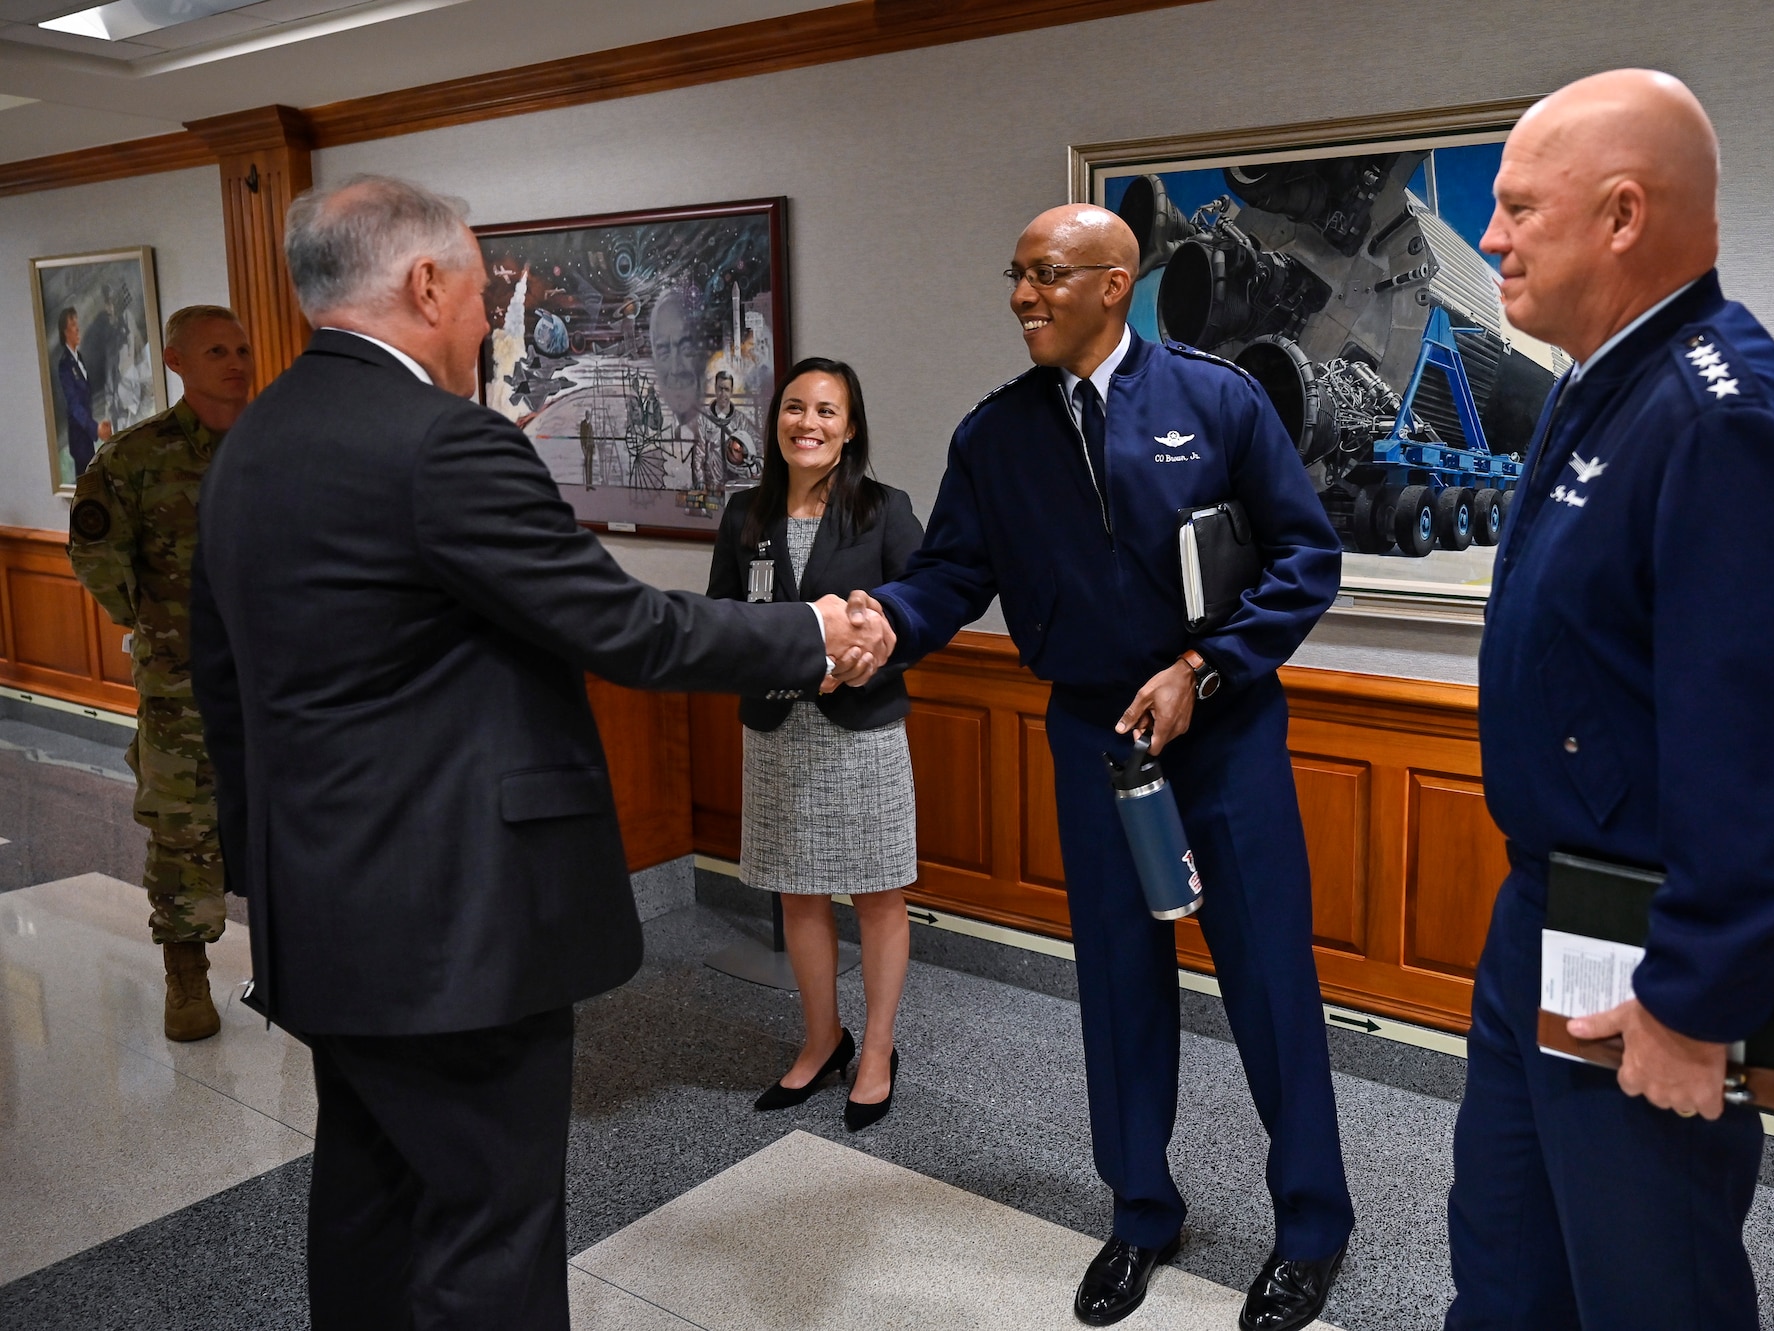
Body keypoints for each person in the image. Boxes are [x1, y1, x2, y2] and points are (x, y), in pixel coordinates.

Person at [189, 174, 894, 1331]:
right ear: (424, 284)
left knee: (368, 1194)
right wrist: (813, 629)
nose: (487, 319)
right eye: (479, 291)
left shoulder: (254, 441)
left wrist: (265, 874)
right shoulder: (441, 443)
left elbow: (221, 686)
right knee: (489, 1222)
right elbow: (624, 627)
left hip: (327, 914)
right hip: (456, 926)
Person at [865, 206, 1356, 1331]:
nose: (1020, 295)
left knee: (1269, 987)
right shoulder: (995, 435)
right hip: (1095, 736)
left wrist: (1205, 665)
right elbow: (947, 574)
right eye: (1015, 273)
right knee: (1119, 985)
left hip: (1221, 729)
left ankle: (1310, 1228)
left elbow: (1301, 557)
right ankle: (1141, 1212)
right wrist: (880, 623)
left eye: (1043, 274)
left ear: (1114, 282)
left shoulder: (1215, 399)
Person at [1447, 71, 1774, 1329]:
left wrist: (1693, 1004)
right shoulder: (1597, 387)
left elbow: (1768, 761)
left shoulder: (1722, 424)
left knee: (1647, 1286)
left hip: (1645, 954)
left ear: (1622, 216)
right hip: (1545, 907)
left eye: (1519, 208)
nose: (1490, 238)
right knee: (1508, 1261)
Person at [708, 357, 926, 1131]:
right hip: (775, 729)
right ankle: (822, 1039)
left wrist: (865, 656)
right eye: (795, 408)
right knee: (796, 890)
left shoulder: (884, 510)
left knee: (877, 891)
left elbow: (921, 614)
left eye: (827, 411)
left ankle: (878, 1049)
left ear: (852, 426)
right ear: (776, 422)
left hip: (862, 731)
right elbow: (722, 620)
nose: (809, 423)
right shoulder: (745, 514)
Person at [67, 304, 252, 1042]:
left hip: (281, 677)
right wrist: (161, 630)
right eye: (216, 350)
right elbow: (97, 557)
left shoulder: (279, 446)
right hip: (184, 686)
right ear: (176, 360)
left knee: (292, 818)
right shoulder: (134, 459)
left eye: (241, 348)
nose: (236, 362)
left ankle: (300, 962)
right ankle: (187, 978)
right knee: (184, 830)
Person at [53, 306, 111, 480]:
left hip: (86, 436)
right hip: (79, 439)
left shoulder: (79, 360)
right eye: (72, 324)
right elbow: (74, 405)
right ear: (65, 332)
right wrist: (95, 428)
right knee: (87, 489)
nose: (77, 328)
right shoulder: (65, 365)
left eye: (77, 323)